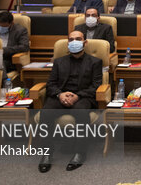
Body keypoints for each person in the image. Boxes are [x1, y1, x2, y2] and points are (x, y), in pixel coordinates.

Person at [38, 30, 102, 173]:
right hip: (60, 96)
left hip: (83, 97)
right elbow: (51, 84)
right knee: (45, 113)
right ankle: (47, 153)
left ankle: (80, 152)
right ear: (67, 43)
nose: (74, 42)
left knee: (80, 112)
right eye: (71, 39)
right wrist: (60, 95)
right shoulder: (59, 62)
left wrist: (77, 96)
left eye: (78, 39)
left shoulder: (95, 62)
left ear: (85, 42)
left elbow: (96, 86)